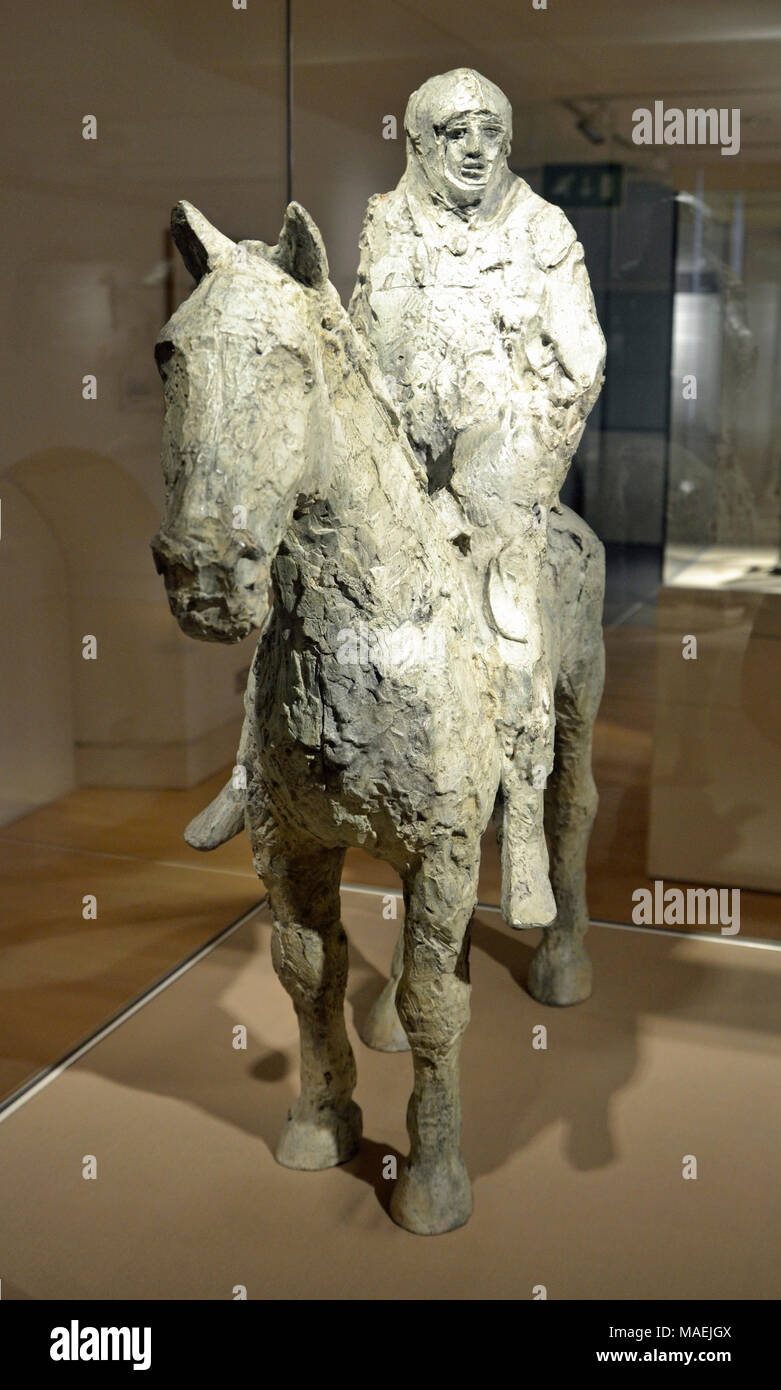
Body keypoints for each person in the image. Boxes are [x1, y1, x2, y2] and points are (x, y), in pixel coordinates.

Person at [347, 69, 606, 924]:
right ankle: (253, 767)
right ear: (420, 142)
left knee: (510, 605)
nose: (473, 148)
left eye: (488, 131)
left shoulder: (541, 230)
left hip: (503, 470)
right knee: (303, 567)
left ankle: (523, 820)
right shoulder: (388, 226)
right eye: (454, 133)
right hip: (403, 471)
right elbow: (358, 344)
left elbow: (580, 360)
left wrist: (514, 457)